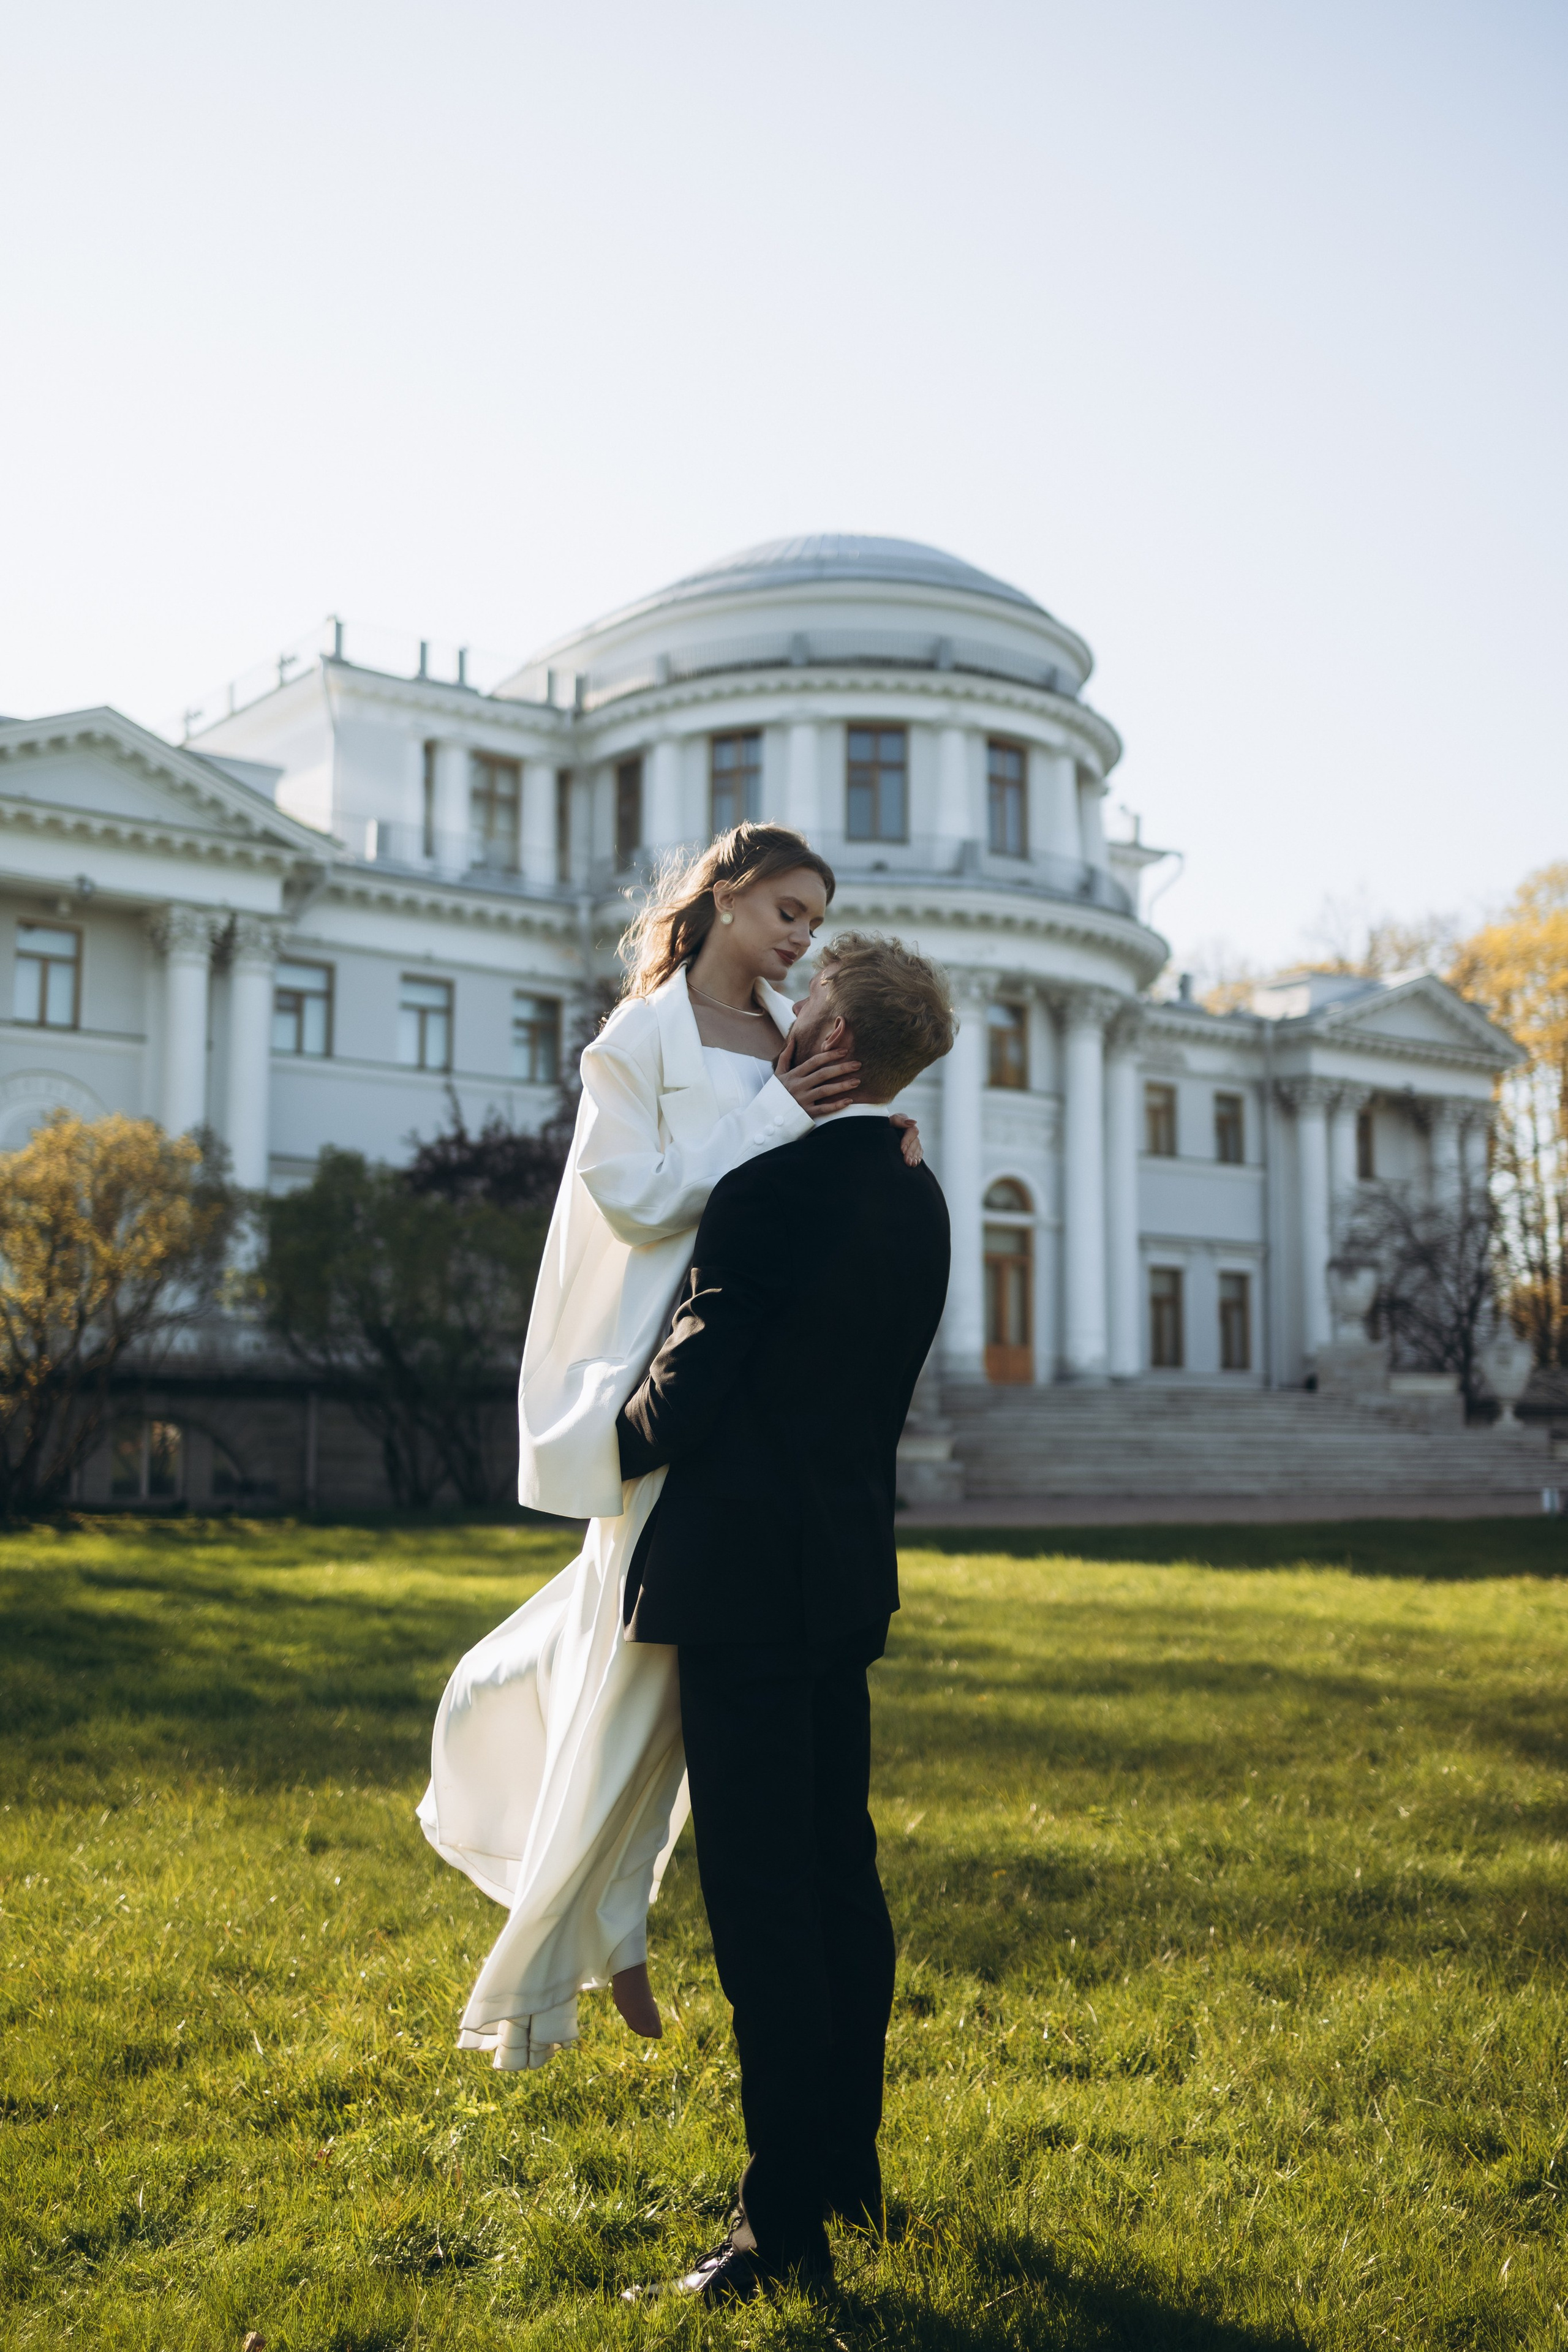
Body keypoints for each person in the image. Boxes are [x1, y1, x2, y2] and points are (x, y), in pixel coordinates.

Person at [417, 826, 922, 2070]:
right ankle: (565, 1952)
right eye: (788, 910)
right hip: (667, 1380)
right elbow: (635, 1197)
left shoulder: (795, 1028)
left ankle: (601, 1928)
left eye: (816, 921)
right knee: (625, 1688)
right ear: (725, 896)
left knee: (650, 1691)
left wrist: (887, 1142)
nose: (802, 938)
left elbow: (831, 1144)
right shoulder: (637, 1040)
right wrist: (774, 1118)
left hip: (759, 1392)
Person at [615, 931, 955, 2305]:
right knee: (837, 1884)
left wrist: (592, 1433)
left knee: (764, 1910)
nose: (785, 1008)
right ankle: (847, 2173)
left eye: (805, 999)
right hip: (843, 1580)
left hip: (742, 1587)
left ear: (834, 1040)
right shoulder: (919, 1194)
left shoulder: (768, 1189)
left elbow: (683, 1397)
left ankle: (780, 2234)